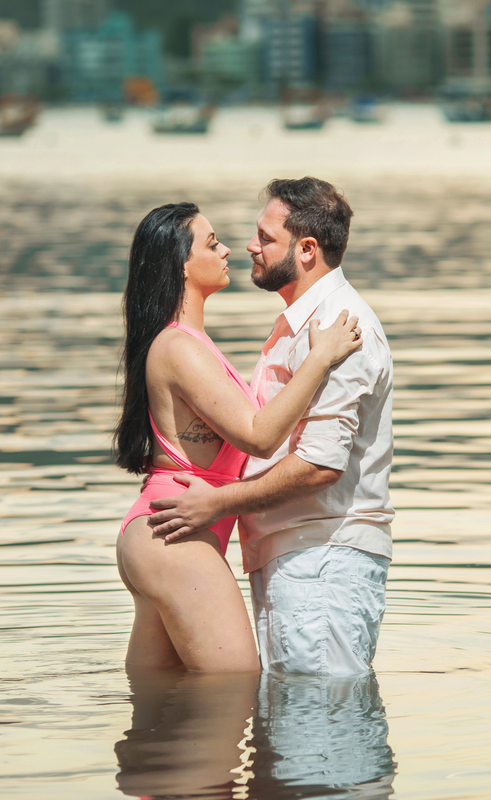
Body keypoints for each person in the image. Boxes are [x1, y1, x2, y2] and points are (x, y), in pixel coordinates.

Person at [147, 177, 394, 677]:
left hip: (320, 558)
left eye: (265, 237)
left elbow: (319, 467)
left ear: (306, 250)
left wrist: (216, 503)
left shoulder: (339, 329)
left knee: (318, 734)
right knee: (292, 734)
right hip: (290, 556)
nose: (249, 247)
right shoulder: (298, 327)